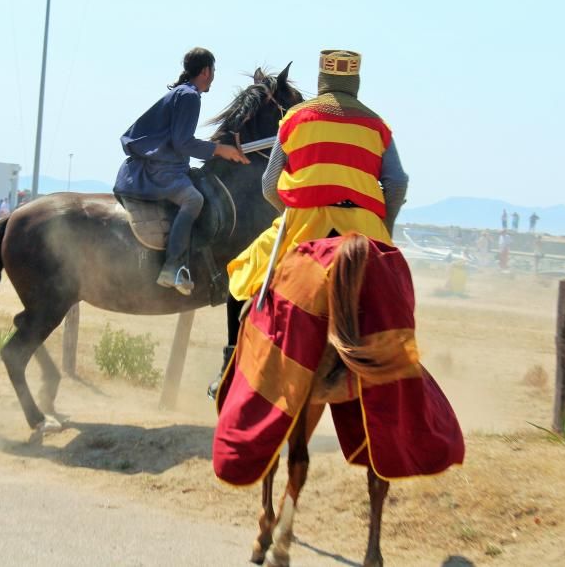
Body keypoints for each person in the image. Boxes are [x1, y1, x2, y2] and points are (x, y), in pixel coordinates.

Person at [209, 49, 409, 397]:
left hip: (304, 222)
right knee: (396, 296)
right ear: (355, 83)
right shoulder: (378, 124)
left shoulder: (296, 118)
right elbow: (397, 183)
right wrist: (383, 225)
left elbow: (269, 184)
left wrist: (289, 211)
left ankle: (228, 372)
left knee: (240, 278)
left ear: (321, 81)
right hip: (362, 226)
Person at [114, 47, 248, 295]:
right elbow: (183, 143)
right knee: (194, 199)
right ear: (206, 71)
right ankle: (173, 267)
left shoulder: (182, 93)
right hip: (160, 170)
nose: (214, 76)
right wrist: (221, 150)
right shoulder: (190, 96)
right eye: (214, 71)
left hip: (159, 166)